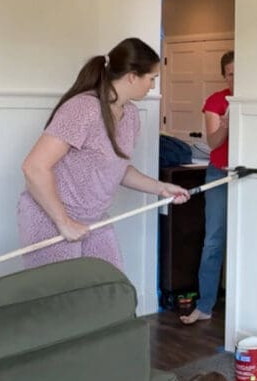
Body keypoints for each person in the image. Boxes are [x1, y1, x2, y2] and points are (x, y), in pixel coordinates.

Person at [17, 37, 190, 270]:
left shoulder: (130, 115)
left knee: (107, 288)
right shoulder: (83, 109)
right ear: (132, 76)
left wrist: (161, 188)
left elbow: (117, 169)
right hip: (51, 215)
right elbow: (34, 167)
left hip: (93, 217)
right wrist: (63, 221)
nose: (152, 86)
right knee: (60, 301)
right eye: (152, 79)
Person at [181, 50, 234, 324]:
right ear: (224, 75)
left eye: (240, 73)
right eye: (230, 74)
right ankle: (204, 306)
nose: (235, 79)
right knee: (214, 239)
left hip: (246, 175)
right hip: (219, 174)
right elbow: (214, 143)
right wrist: (227, 120)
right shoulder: (216, 101)